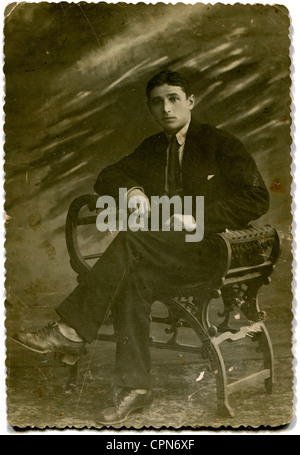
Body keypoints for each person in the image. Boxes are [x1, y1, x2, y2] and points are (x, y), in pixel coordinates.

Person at [12, 70, 270, 425]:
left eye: (174, 99)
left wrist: (197, 217)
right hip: (167, 253)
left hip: (209, 250)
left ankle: (70, 332)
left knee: (132, 240)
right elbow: (107, 177)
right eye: (157, 102)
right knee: (133, 277)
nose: (166, 108)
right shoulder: (152, 148)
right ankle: (136, 389)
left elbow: (256, 198)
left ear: (190, 102)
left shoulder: (220, 143)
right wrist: (133, 191)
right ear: (151, 108)